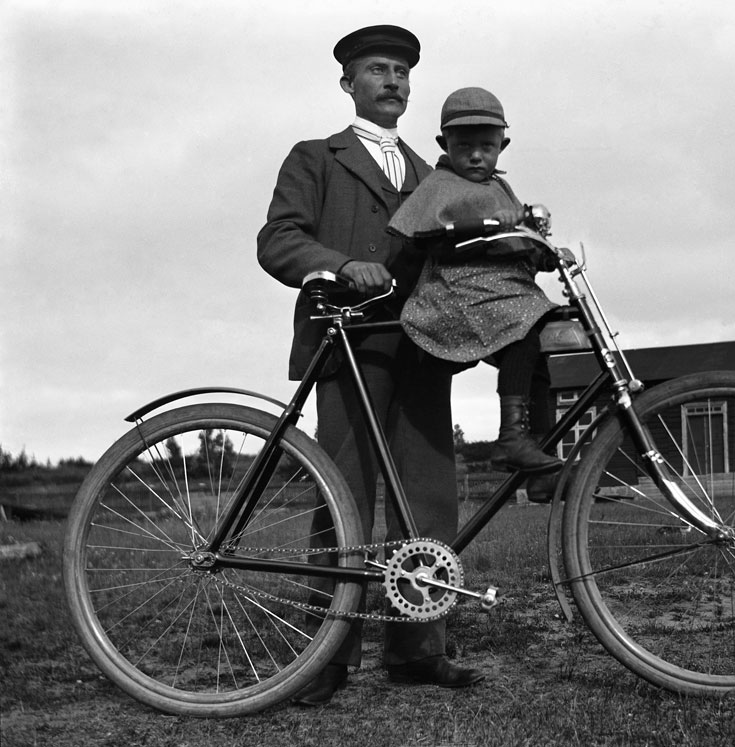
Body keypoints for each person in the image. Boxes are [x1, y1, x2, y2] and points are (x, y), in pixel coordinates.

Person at [257, 25, 484, 705]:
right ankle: (327, 654)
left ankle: (420, 648)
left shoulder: (433, 175)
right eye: (378, 70)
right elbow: (279, 239)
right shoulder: (316, 158)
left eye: (402, 72)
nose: (393, 81)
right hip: (351, 345)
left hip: (421, 349)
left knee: (428, 499)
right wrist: (335, 264)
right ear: (349, 83)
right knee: (344, 498)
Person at [388, 87, 562, 477]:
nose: (476, 155)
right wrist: (482, 228)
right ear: (443, 143)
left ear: (503, 144)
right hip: (457, 290)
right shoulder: (440, 185)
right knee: (524, 328)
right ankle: (510, 438)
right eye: (464, 145)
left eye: (487, 145)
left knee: (538, 353)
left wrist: (541, 249)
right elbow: (427, 237)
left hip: (500, 290)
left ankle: (540, 461)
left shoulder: (498, 187)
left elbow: (518, 240)